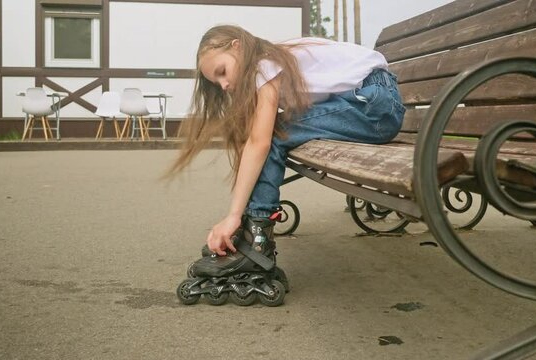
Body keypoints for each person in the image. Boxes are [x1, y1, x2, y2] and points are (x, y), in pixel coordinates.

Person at [171, 25, 405, 306]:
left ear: (237, 47)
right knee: (270, 133)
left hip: (375, 106)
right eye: (215, 82)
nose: (223, 85)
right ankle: (253, 233)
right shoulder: (271, 59)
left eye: (221, 72)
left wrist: (232, 215)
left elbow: (260, 143)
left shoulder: (265, 64)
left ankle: (257, 242)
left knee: (272, 135)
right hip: (370, 100)